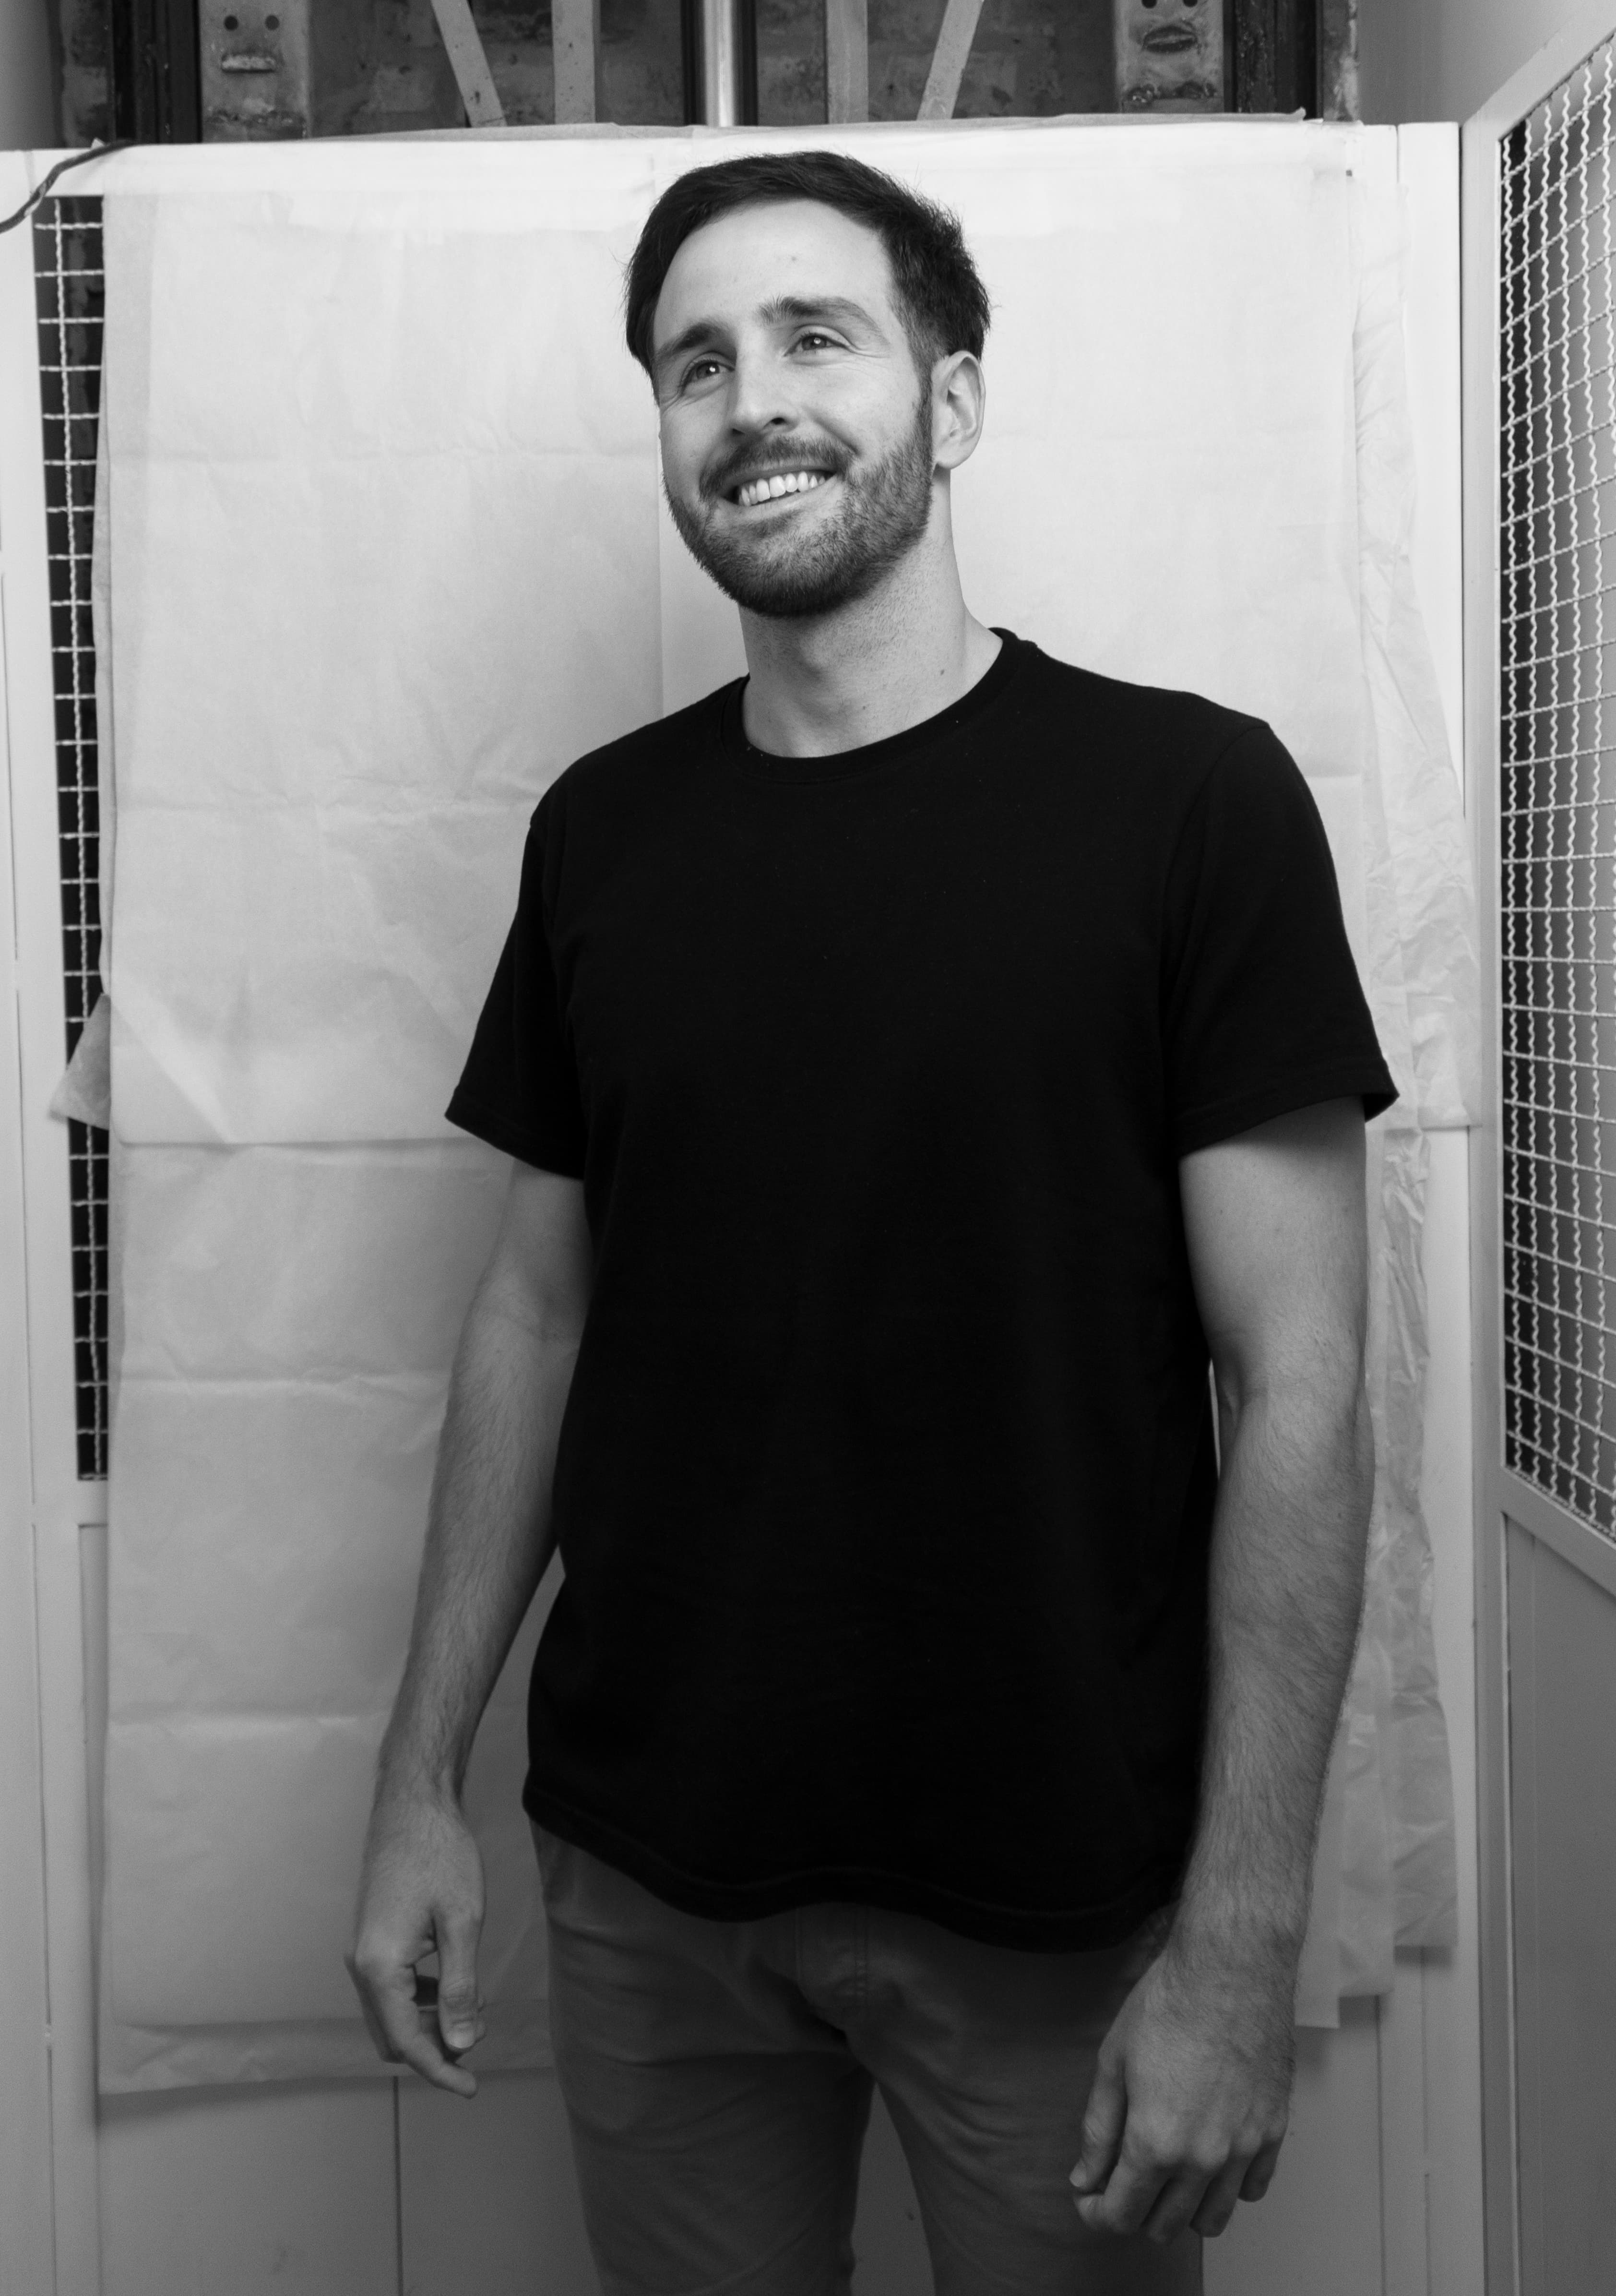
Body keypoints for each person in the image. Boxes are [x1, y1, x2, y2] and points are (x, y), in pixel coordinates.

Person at [348, 149, 1395, 2295]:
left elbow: (1295, 1385)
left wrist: (1241, 1927)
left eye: (816, 334)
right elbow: (532, 1316)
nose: (751, 400)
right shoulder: (602, 836)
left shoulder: (1186, 804)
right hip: (649, 1882)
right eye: (691, 363)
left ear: (955, 397)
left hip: (1048, 1901)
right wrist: (415, 1783)